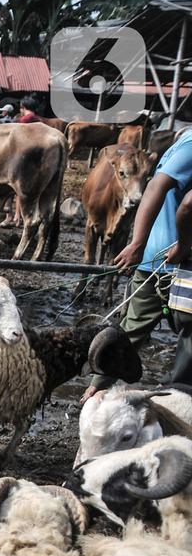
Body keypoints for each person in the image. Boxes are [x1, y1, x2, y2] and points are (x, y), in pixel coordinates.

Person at [82, 130, 192, 402]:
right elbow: (181, 201)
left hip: (152, 259)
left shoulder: (183, 140)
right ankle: (180, 403)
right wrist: (140, 243)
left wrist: (139, 245)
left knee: (129, 331)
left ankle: (93, 395)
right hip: (178, 261)